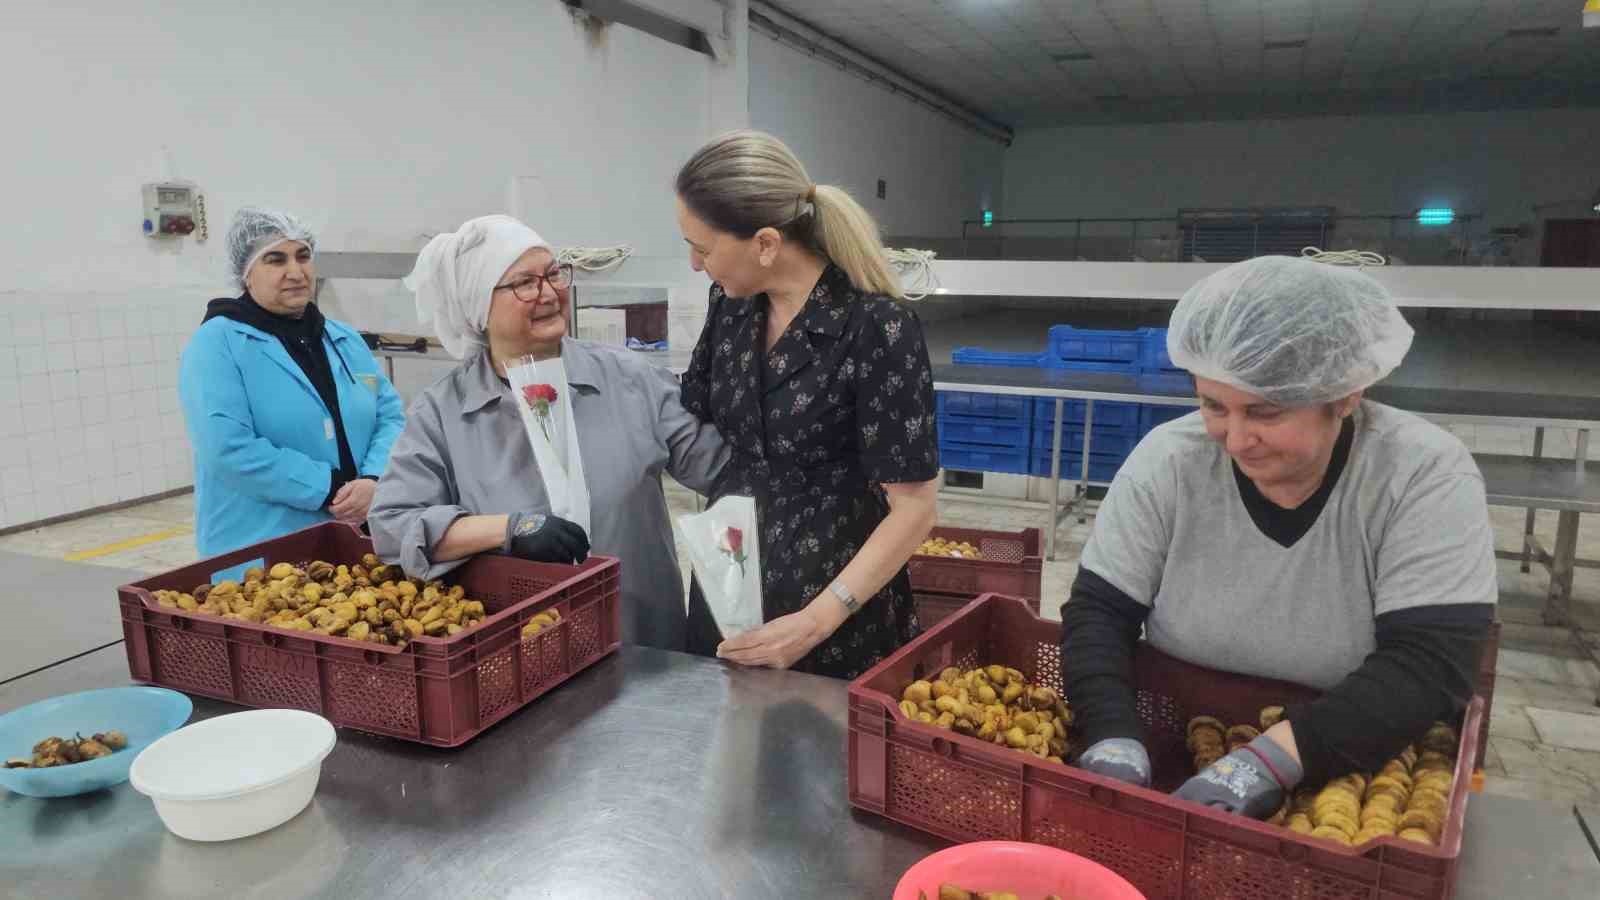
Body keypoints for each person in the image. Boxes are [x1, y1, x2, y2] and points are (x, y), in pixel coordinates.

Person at [1063, 255, 1496, 818]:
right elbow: (1099, 612)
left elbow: (1431, 664)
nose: (1236, 439)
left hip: (1359, 750)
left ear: (1345, 395)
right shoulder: (1169, 461)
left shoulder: (1420, 474)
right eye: (1213, 405)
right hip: (1175, 731)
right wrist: (1112, 734)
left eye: (1265, 411)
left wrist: (1269, 762)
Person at [368, 214, 728, 651]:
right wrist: (509, 529)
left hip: (644, 641)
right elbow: (392, 526)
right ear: (478, 306)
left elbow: (722, 470)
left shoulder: (628, 380)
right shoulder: (444, 413)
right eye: (524, 282)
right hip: (519, 656)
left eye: (554, 273)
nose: (549, 292)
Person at [674, 130, 939, 680]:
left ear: (766, 243)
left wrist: (817, 620)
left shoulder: (876, 328)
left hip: (833, 615)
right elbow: (694, 403)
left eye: (704, 248)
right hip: (728, 585)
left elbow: (914, 509)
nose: (697, 265)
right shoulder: (731, 305)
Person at [179, 208, 405, 556]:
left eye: (303, 256)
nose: (295, 272)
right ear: (246, 273)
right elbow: (227, 448)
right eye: (275, 260)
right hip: (262, 547)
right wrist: (329, 488)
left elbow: (389, 415)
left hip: (356, 534)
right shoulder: (217, 344)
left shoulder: (341, 338)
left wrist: (374, 479)